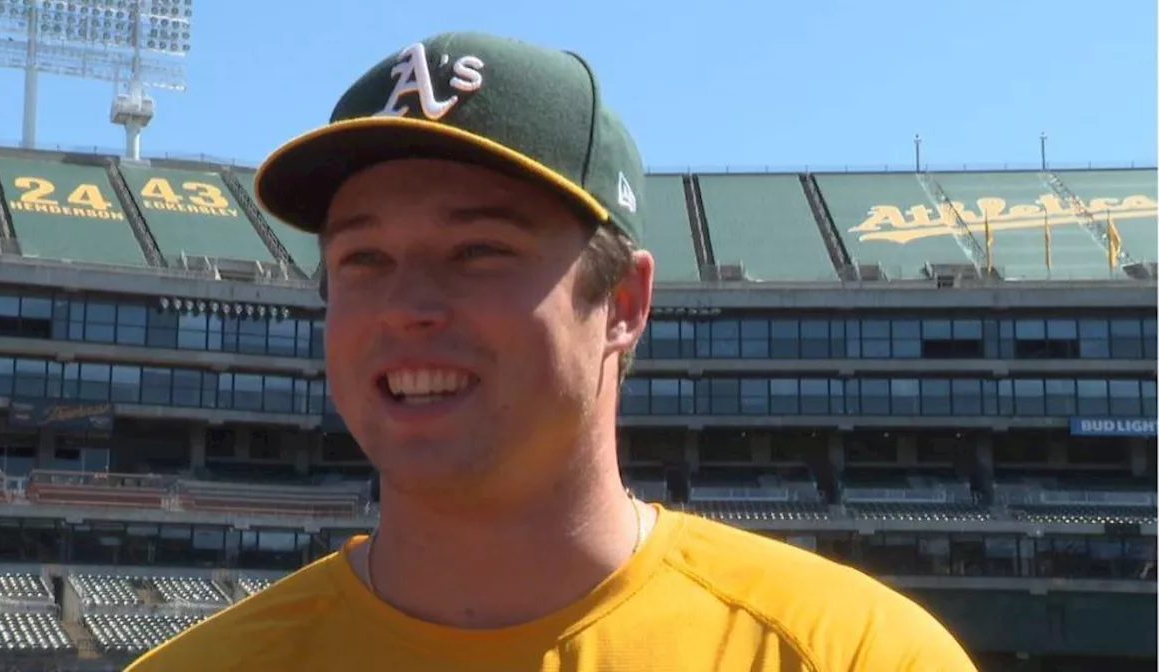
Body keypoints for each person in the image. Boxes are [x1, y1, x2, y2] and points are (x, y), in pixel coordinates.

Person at [127, 31, 979, 671]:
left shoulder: (851, 656)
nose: (408, 307)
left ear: (623, 303)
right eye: (364, 259)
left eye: (479, 252)